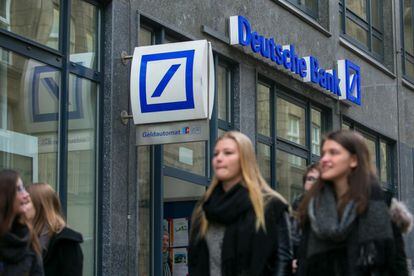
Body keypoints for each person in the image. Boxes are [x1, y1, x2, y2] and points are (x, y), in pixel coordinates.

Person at [297, 130, 409, 276]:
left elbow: (396, 263)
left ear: (354, 160)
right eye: (323, 153)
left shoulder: (378, 202)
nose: (324, 159)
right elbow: (304, 262)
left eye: (333, 153)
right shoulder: (313, 204)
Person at [188, 131, 292, 276]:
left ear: (245, 158)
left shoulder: (270, 205)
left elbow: (283, 261)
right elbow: (194, 261)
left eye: (228, 153)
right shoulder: (204, 208)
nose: (219, 158)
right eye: (216, 154)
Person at [26, 183, 83, 276]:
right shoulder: (25, 236)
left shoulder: (66, 241)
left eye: (26, 203)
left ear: (39, 206)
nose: (22, 208)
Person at [0, 169, 43, 275]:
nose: (26, 194)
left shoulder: (26, 237)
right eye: (19, 189)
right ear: (5, 196)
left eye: (23, 188)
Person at [291, 163, 319, 274]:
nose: (313, 183)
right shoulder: (296, 206)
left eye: (318, 180)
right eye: (310, 179)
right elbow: (291, 238)